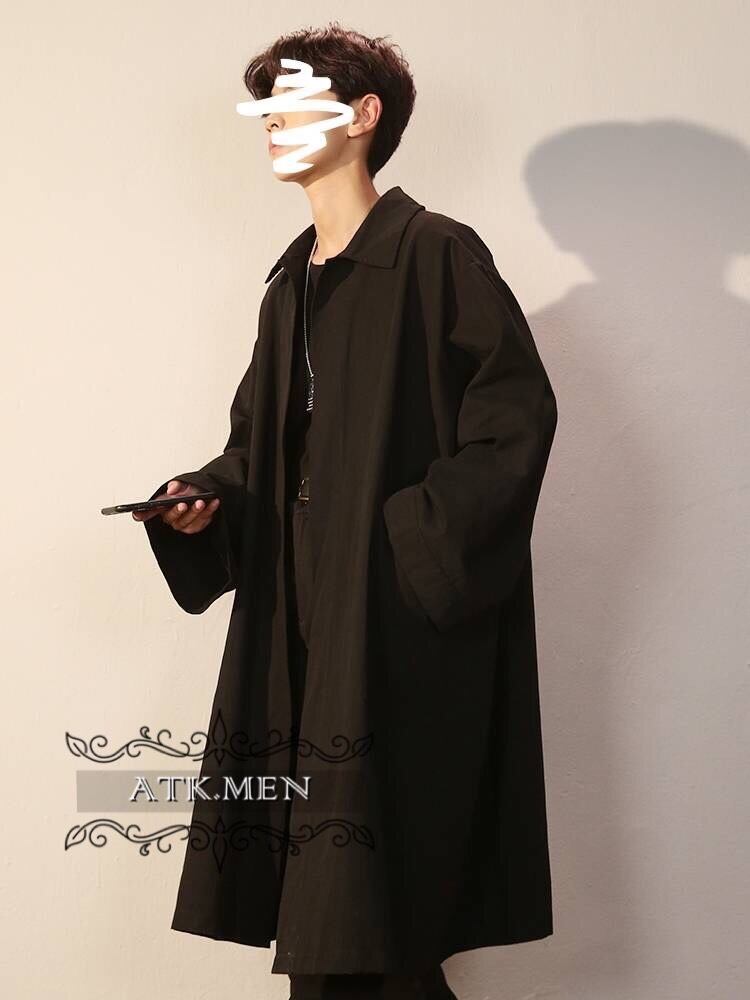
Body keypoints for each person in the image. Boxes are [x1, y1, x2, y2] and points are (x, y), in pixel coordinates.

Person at [134, 22, 558, 1000]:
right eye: (266, 111)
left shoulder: (435, 254)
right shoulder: (289, 286)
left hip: (392, 624)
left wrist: (407, 541)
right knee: (340, 909)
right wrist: (203, 498)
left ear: (364, 116)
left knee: (365, 907)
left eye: (292, 104)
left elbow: (515, 420)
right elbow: (259, 446)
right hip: (297, 620)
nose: (272, 125)